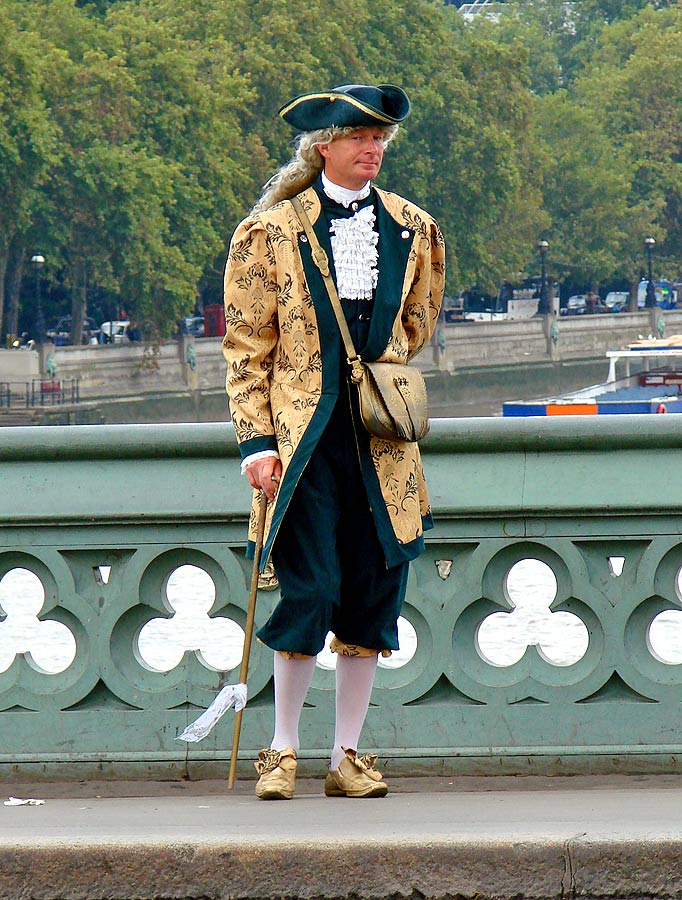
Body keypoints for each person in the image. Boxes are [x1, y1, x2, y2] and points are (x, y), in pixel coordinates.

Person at [222, 82, 445, 800]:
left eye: (380, 140)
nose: (373, 150)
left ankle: (347, 753)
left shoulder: (417, 228)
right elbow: (246, 346)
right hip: (301, 443)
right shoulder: (269, 231)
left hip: (381, 443)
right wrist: (256, 441)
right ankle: (282, 747)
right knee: (309, 590)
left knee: (373, 597)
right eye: (359, 139)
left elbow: (417, 324)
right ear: (325, 146)